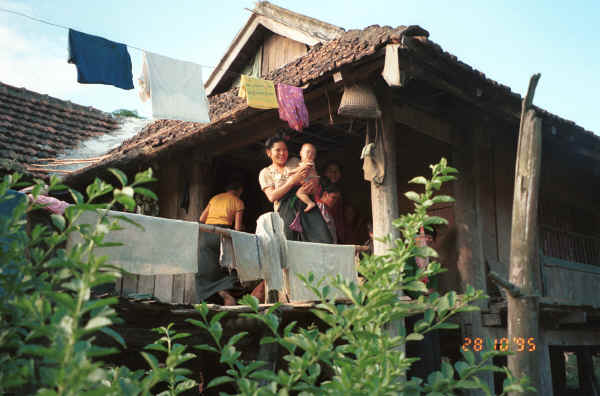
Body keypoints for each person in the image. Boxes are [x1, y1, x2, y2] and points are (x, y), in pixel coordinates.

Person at [258, 136, 333, 243]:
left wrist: (313, 184)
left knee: (323, 239)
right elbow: (272, 196)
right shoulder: (266, 172)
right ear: (269, 152)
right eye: (278, 150)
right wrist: (292, 181)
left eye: (285, 150)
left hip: (306, 205)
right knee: (290, 244)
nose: (282, 153)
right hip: (285, 211)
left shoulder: (295, 161)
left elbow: (312, 178)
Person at [197, 180, 245, 306]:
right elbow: (238, 229)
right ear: (240, 190)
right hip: (223, 234)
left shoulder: (214, 198)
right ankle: (226, 294)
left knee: (207, 267)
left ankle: (218, 294)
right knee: (226, 267)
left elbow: (202, 219)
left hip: (206, 233)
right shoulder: (238, 202)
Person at [289, 143, 320, 213]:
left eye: (313, 154)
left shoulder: (310, 163)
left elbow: (303, 168)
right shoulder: (300, 163)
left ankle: (310, 203)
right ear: (301, 153)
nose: (310, 155)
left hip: (311, 183)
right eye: (308, 152)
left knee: (299, 193)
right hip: (307, 183)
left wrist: (292, 171)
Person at [321, 161, 345, 243]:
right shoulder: (318, 189)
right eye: (330, 171)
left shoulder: (340, 192)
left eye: (336, 171)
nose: (334, 174)